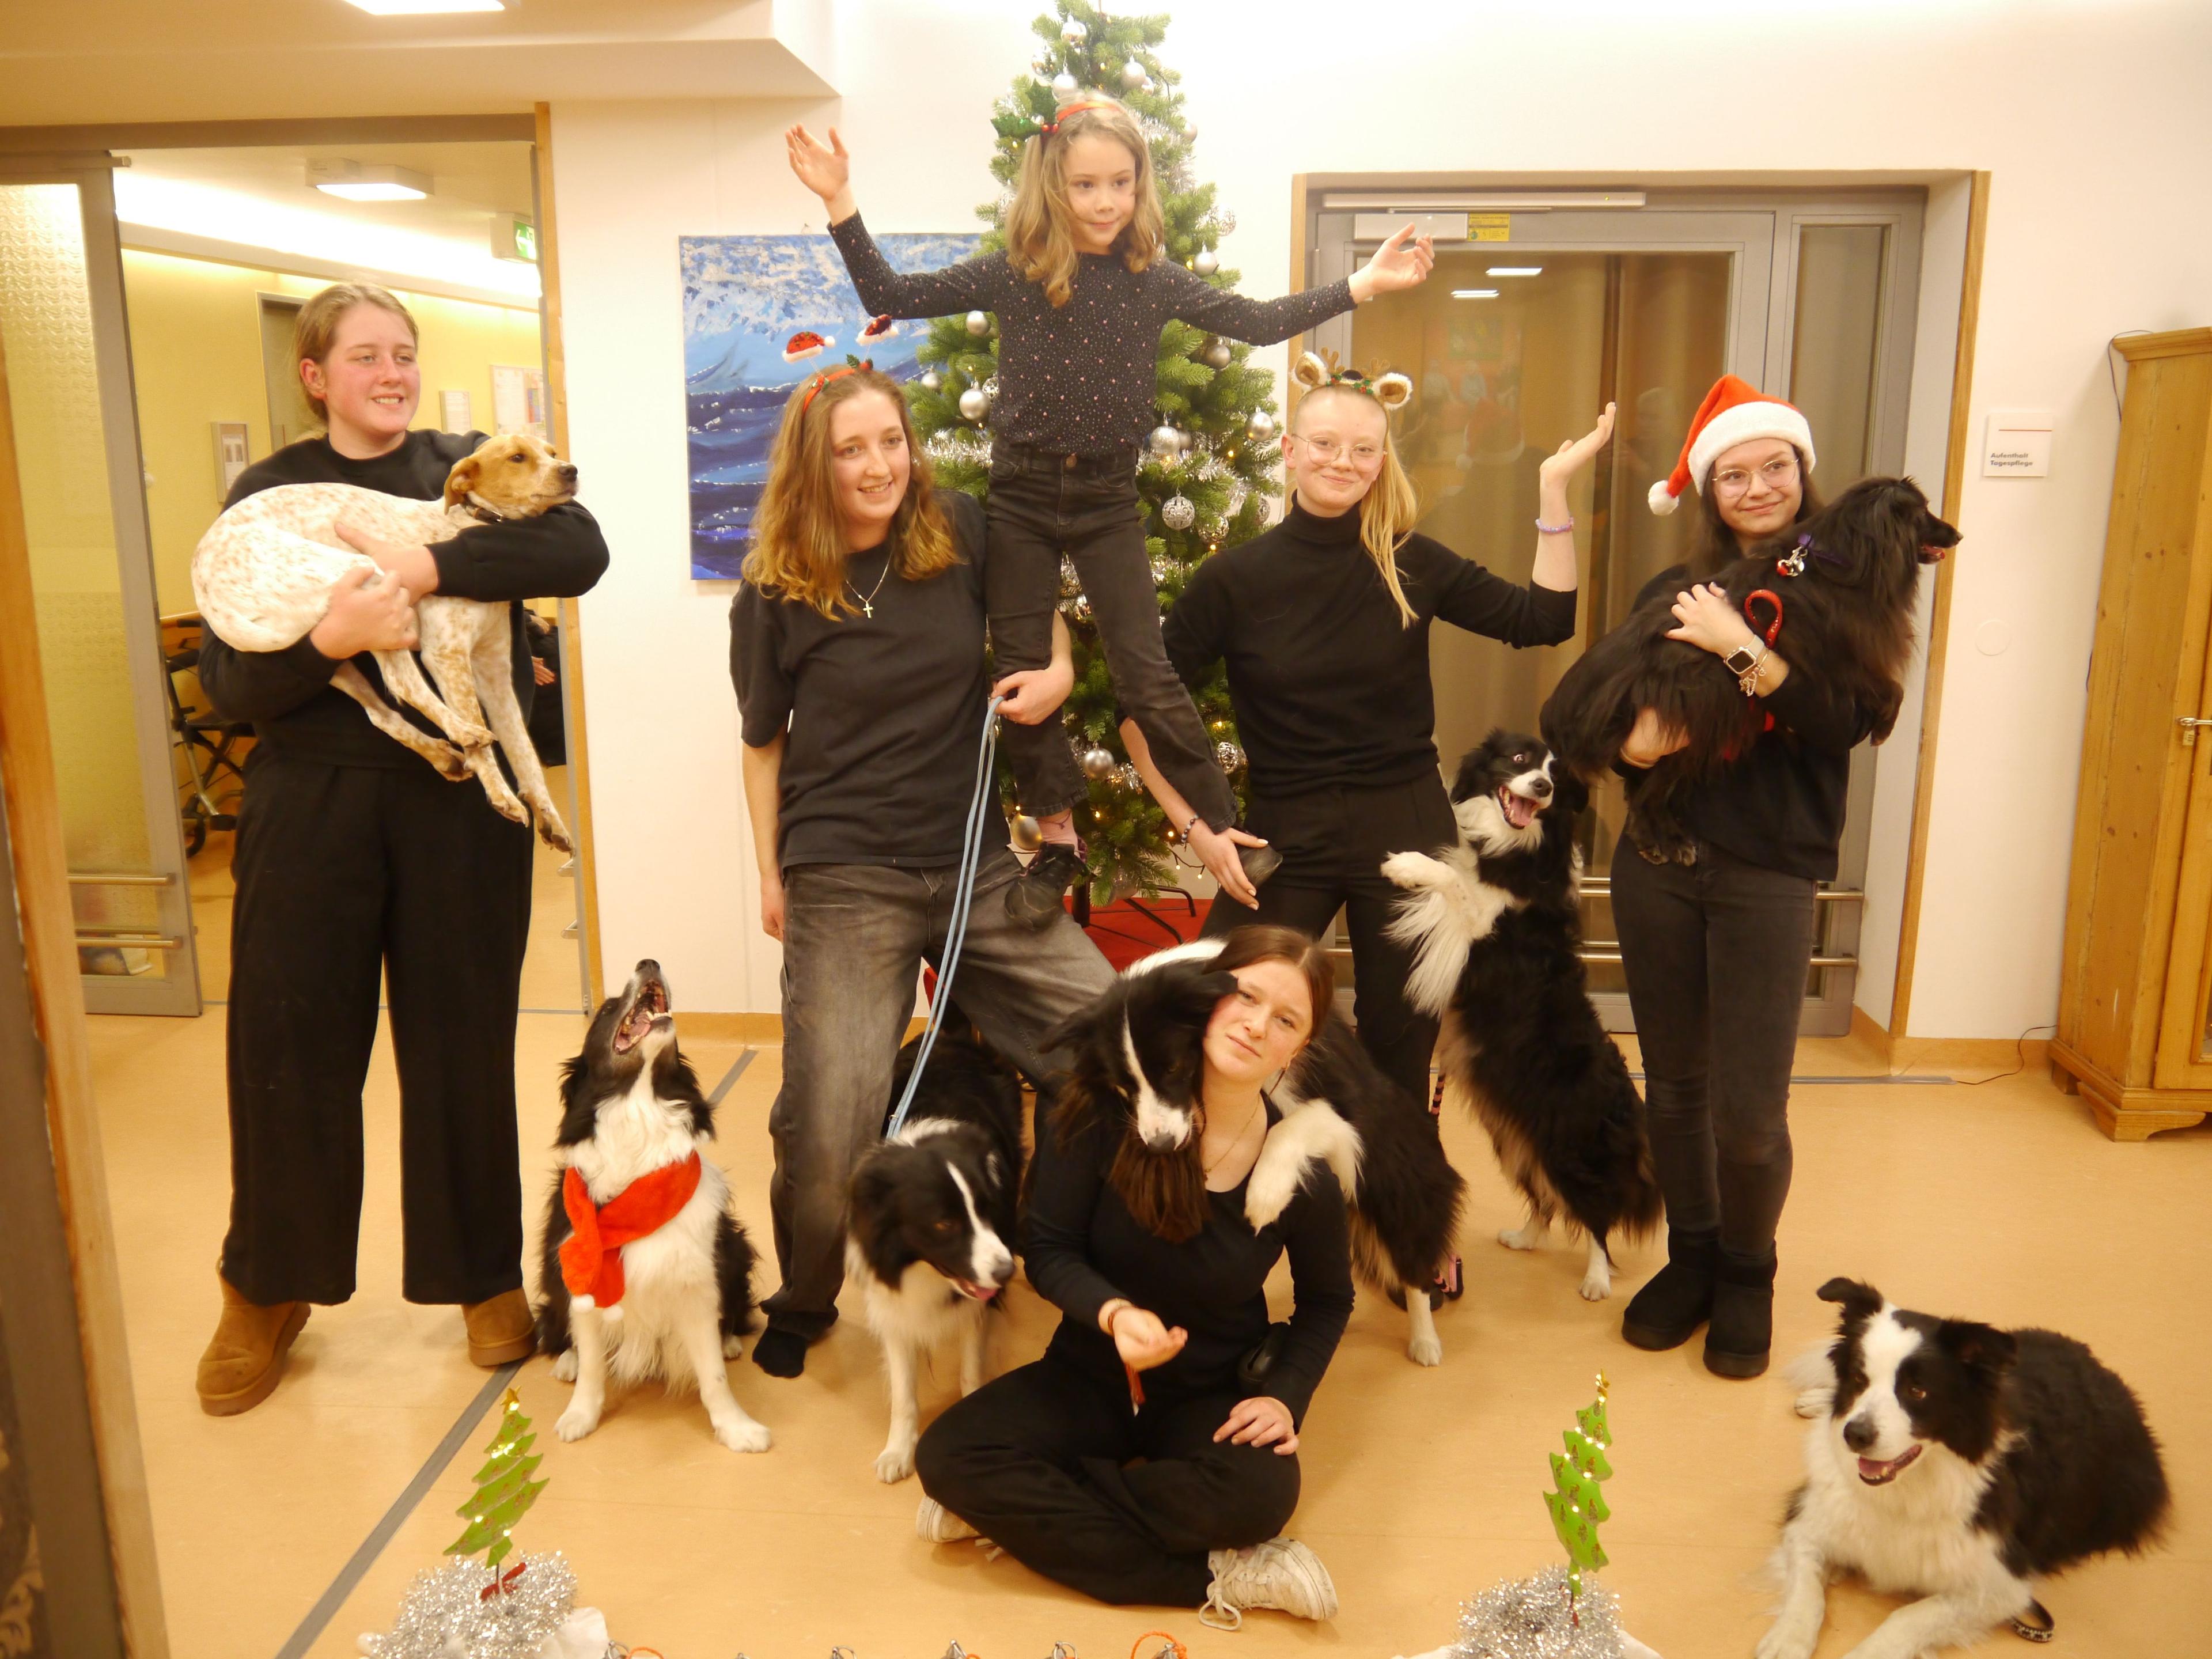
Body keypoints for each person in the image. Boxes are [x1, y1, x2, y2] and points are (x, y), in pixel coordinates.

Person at [786, 100, 1434, 925]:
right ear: (1053, 183)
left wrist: (1362, 284)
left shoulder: (1152, 280)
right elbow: (889, 292)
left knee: (1146, 670)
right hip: (1021, 495)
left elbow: (1256, 322)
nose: (1104, 202)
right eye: (1086, 184)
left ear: (1140, 185)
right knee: (1020, 668)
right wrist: (839, 198)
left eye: (1121, 184)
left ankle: (1226, 826)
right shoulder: (1016, 273)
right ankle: (1057, 835)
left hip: (1105, 499)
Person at [194, 283, 609, 1415]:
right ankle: (266, 1287)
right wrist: (328, 638)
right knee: (288, 1049)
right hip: (311, 799)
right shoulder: (272, 495)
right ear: (315, 376)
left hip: (455, 803)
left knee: (462, 1045)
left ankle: (481, 1278)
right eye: (365, 356)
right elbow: (229, 681)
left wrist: (425, 569)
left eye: (404, 354)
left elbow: (580, 547)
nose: (391, 374)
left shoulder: (461, 471)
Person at [730, 363, 1116, 1380]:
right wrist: (770, 873)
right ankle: (805, 1298)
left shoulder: (963, 530)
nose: (878, 467)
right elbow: (763, 743)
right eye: (851, 450)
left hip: (976, 868)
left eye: (891, 442)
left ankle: (1060, 1255)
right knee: (832, 1123)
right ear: (812, 465)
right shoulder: (776, 584)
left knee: (1108, 1043)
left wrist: (1060, 671)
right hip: (843, 873)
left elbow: (1039, 621)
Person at [1122, 359, 1612, 1106]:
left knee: (1398, 1044)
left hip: (1405, 824)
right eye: (1324, 445)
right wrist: (1195, 826)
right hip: (1288, 832)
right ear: (1290, 451)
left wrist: (1553, 493)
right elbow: (1139, 708)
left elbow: (1544, 619)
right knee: (1213, 1005)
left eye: (1362, 450)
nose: (1342, 462)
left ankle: (1390, 1179)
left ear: (1381, 462)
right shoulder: (1235, 580)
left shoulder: (1410, 562)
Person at [915, 927, 1353, 1631]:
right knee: (947, 1455)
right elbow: (1048, 1249)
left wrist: (1284, 1398)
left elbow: (1328, 1301)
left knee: (1261, 1494)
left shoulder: (1299, 1172)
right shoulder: (1098, 1113)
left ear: (1297, 1049)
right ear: (1204, 1001)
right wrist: (1114, 1314)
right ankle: (1220, 1576)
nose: (1256, 1025)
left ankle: (1028, 1512)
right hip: (1089, 1372)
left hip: (1209, 1389)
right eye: (1245, 997)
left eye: (1285, 1020)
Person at [1612, 374, 1868, 1378]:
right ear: (1710, 490)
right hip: (1658, 864)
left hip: (1769, 873)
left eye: (1774, 468)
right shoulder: (1671, 591)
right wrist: (1629, 748)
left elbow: (1844, 723)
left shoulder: (1847, 591)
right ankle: (1694, 1257)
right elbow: (1618, 715)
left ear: (1803, 473)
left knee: (1751, 1113)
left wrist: (1742, 651)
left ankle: (1748, 1275)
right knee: (1674, 1088)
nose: (1756, 487)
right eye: (1734, 474)